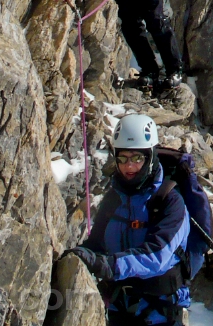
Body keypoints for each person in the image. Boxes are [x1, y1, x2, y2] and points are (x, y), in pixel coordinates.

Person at [68, 114, 192, 325]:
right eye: (122, 158)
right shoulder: (114, 198)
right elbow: (97, 244)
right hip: (118, 308)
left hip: (160, 313)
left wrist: (109, 265)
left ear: (151, 157)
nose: (129, 166)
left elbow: (157, 256)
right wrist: (79, 256)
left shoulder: (170, 201)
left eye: (137, 158)